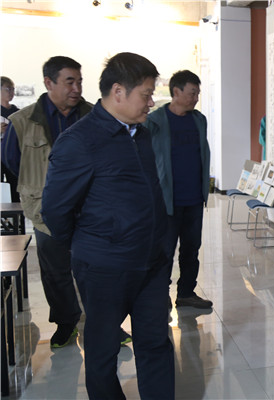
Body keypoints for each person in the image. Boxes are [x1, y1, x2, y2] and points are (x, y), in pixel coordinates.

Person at [41, 52, 174, 400]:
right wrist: (94, 244)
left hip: (151, 264)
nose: (151, 102)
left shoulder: (141, 134)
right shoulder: (79, 141)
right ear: (118, 92)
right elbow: (55, 210)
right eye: (146, 94)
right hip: (104, 268)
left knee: (156, 343)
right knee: (103, 352)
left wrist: (161, 244)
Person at [1, 57, 89, 347]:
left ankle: (107, 323)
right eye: (69, 82)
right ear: (49, 83)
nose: (77, 88)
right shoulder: (22, 122)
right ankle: (66, 323)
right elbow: (13, 162)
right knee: (55, 271)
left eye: (79, 82)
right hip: (45, 210)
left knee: (95, 268)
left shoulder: (92, 116)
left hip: (90, 208)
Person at [145, 70, 212, 309]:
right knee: (164, 251)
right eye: (192, 93)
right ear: (176, 92)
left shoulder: (199, 120)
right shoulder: (154, 121)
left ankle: (186, 293)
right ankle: (159, 294)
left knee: (191, 249)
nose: (196, 98)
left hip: (194, 199)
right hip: (167, 200)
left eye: (197, 93)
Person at [1, 76, 20, 202]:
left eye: (13, 89)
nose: (11, 93)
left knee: (15, 186)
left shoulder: (18, 113)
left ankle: (17, 213)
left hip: (13, 154)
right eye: (8, 89)